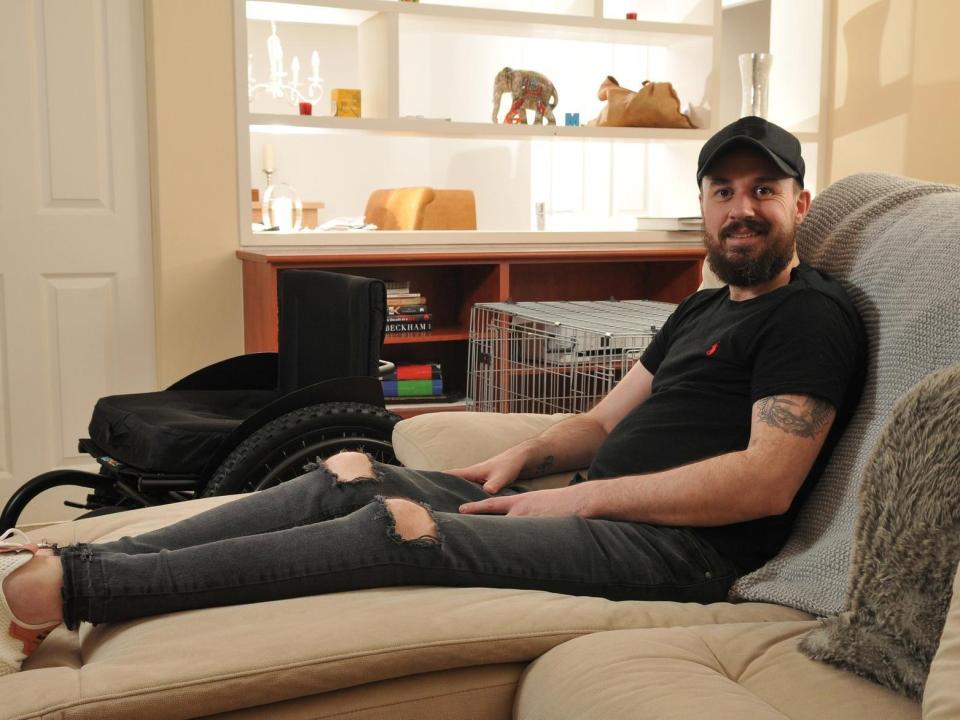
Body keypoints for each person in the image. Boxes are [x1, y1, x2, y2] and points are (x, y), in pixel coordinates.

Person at [0, 117, 866, 676]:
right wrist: (527, 458)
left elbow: (764, 482)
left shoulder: (809, 314)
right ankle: (95, 562)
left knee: (396, 527)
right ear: (704, 206)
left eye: (764, 191)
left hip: (684, 556)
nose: (742, 209)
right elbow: (603, 421)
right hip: (586, 507)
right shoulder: (704, 307)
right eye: (725, 192)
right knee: (348, 474)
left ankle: (70, 589)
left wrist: (580, 505)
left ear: (802, 203)